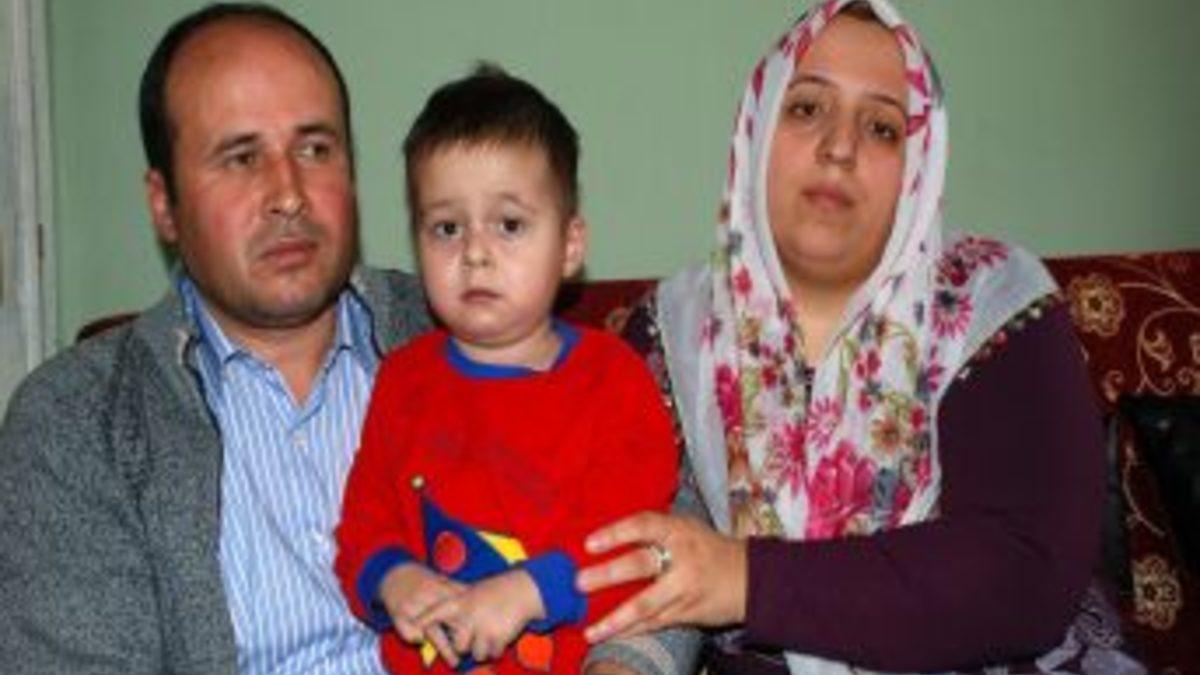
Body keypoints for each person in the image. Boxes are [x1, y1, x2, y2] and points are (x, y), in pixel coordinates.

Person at [578, 1, 1143, 673]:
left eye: (881, 127)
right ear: (756, 128)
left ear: (919, 165)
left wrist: (748, 579)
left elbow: (1025, 573)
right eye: (806, 108)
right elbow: (641, 554)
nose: (839, 147)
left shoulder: (994, 309)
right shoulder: (671, 335)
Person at [0, 4, 431, 673]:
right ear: (164, 205)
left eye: (315, 149)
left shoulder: (475, 336)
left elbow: (606, 556)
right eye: (241, 158)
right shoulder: (78, 421)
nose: (288, 194)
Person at [333, 66, 678, 674]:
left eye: (510, 225)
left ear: (570, 246)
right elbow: (363, 521)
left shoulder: (613, 379)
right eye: (447, 228)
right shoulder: (403, 380)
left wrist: (529, 592)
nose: (475, 252)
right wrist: (393, 577)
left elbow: (638, 539)